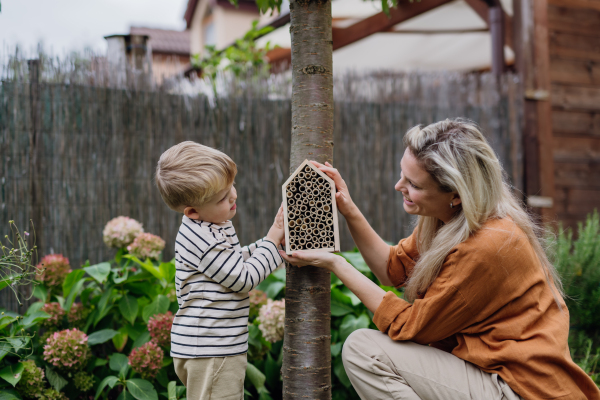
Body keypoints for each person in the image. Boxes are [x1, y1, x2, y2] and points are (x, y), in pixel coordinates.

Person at [280, 119, 600, 400]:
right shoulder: (447, 220)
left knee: (364, 350)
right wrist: (348, 209)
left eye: (414, 184)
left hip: (518, 388)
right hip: (491, 372)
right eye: (402, 175)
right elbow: (392, 268)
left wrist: (336, 263)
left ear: (456, 194)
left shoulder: (488, 245)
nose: (398, 186)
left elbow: (411, 327)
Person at [155, 141, 285, 400]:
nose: (233, 196)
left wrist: (273, 248)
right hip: (211, 349)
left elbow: (232, 262)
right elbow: (243, 278)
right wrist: (272, 239)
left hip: (209, 346)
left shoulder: (210, 223)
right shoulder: (202, 238)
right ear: (193, 211)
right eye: (222, 198)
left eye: (231, 187)